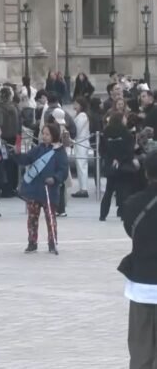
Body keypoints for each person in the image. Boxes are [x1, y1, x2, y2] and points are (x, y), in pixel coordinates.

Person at [118, 151, 157, 369]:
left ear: (146, 172)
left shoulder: (133, 204)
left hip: (141, 284)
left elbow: (130, 231)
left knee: (140, 350)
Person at [14, 124, 68, 254]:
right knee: (32, 218)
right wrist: (17, 154)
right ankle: (32, 242)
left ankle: (52, 242)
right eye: (43, 134)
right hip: (34, 189)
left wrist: (55, 178)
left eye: (47, 134)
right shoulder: (38, 149)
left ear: (54, 135)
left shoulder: (59, 152)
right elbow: (26, 159)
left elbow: (63, 170)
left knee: (50, 218)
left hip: (50, 190)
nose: (44, 136)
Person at [100, 112, 138, 221]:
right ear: (121, 119)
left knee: (108, 190)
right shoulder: (126, 133)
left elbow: (102, 149)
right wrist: (119, 159)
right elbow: (129, 150)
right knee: (123, 190)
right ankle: (122, 213)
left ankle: (103, 214)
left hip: (110, 164)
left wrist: (111, 158)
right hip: (123, 166)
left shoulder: (106, 132)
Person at [0, 86, 20, 196]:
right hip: (15, 137)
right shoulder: (15, 107)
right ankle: (13, 186)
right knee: (13, 163)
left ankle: (5, 187)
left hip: (3, 139)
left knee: (3, 163)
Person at [71, 97, 92, 198]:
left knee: (82, 165)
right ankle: (82, 187)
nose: (74, 105)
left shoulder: (82, 115)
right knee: (80, 165)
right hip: (79, 141)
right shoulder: (79, 115)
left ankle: (84, 188)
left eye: (76, 104)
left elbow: (77, 129)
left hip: (81, 141)